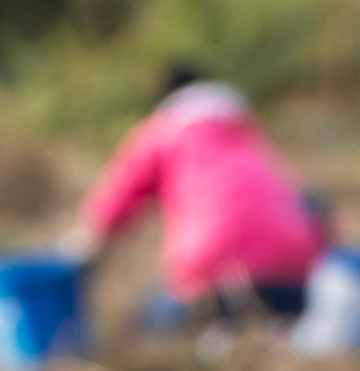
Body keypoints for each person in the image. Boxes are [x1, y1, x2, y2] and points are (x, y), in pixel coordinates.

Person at [66, 65, 329, 334]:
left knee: (147, 320)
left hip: (210, 283)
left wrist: (71, 265)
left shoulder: (162, 132)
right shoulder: (250, 136)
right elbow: (315, 206)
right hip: (295, 284)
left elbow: (107, 213)